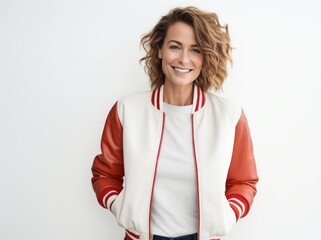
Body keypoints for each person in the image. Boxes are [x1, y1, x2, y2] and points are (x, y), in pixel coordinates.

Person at [91, 6, 258, 240]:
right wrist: (121, 207)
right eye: (175, 47)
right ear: (159, 50)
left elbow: (244, 181)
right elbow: (104, 173)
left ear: (205, 57)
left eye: (196, 50)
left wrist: (228, 215)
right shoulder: (127, 111)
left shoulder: (229, 116)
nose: (184, 59)